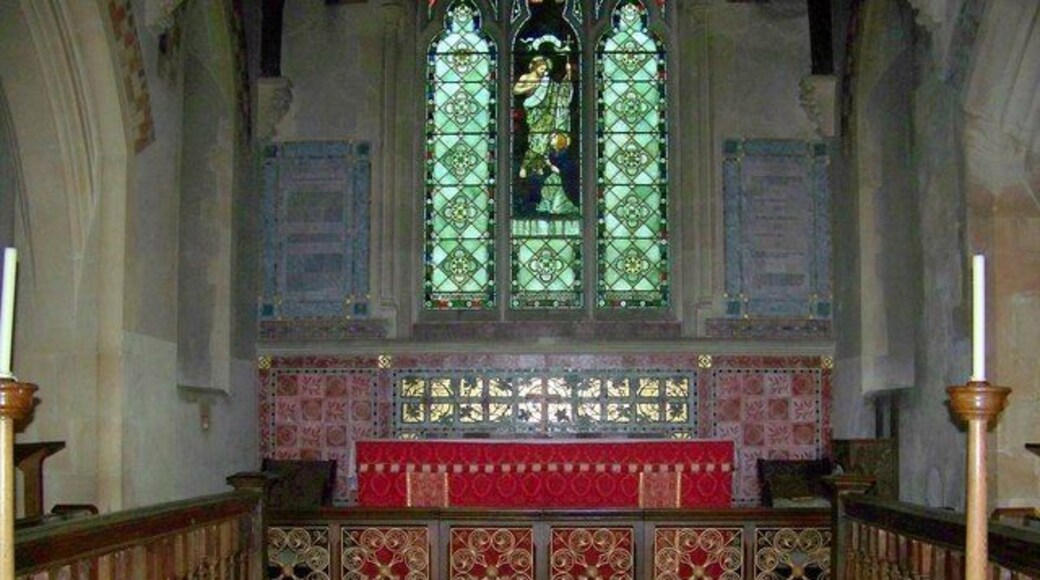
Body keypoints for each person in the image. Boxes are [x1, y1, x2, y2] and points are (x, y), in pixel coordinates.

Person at [513, 56, 578, 215]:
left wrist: (568, 76)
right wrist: (531, 86)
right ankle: (527, 167)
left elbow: (560, 95)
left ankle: (538, 166)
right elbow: (516, 90)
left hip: (547, 117)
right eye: (541, 68)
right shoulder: (526, 78)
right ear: (534, 67)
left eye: (545, 68)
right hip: (534, 114)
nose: (544, 70)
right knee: (536, 141)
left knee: (543, 142)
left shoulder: (547, 83)